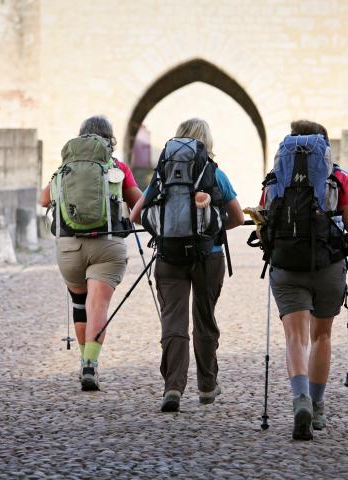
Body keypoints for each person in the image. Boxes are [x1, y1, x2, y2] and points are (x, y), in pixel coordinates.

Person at [258, 120, 348, 440]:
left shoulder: (274, 178)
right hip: (328, 265)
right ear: (323, 146)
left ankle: (300, 399)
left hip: (286, 266)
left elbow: (264, 221)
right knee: (321, 336)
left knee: (296, 338)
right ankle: (318, 404)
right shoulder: (337, 177)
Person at [130, 118, 245, 412]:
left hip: (169, 255)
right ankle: (207, 386)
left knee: (173, 320)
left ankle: (173, 387)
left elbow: (135, 216)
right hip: (209, 255)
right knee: (204, 319)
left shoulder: (163, 175)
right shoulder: (215, 174)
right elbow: (238, 218)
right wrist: (212, 228)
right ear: (206, 143)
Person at [39, 115, 142, 391]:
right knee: (98, 305)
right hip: (107, 245)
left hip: (70, 246)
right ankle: (90, 363)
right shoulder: (117, 167)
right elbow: (137, 207)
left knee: (79, 303)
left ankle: (83, 360)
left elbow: (43, 199)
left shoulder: (66, 167)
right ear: (111, 139)